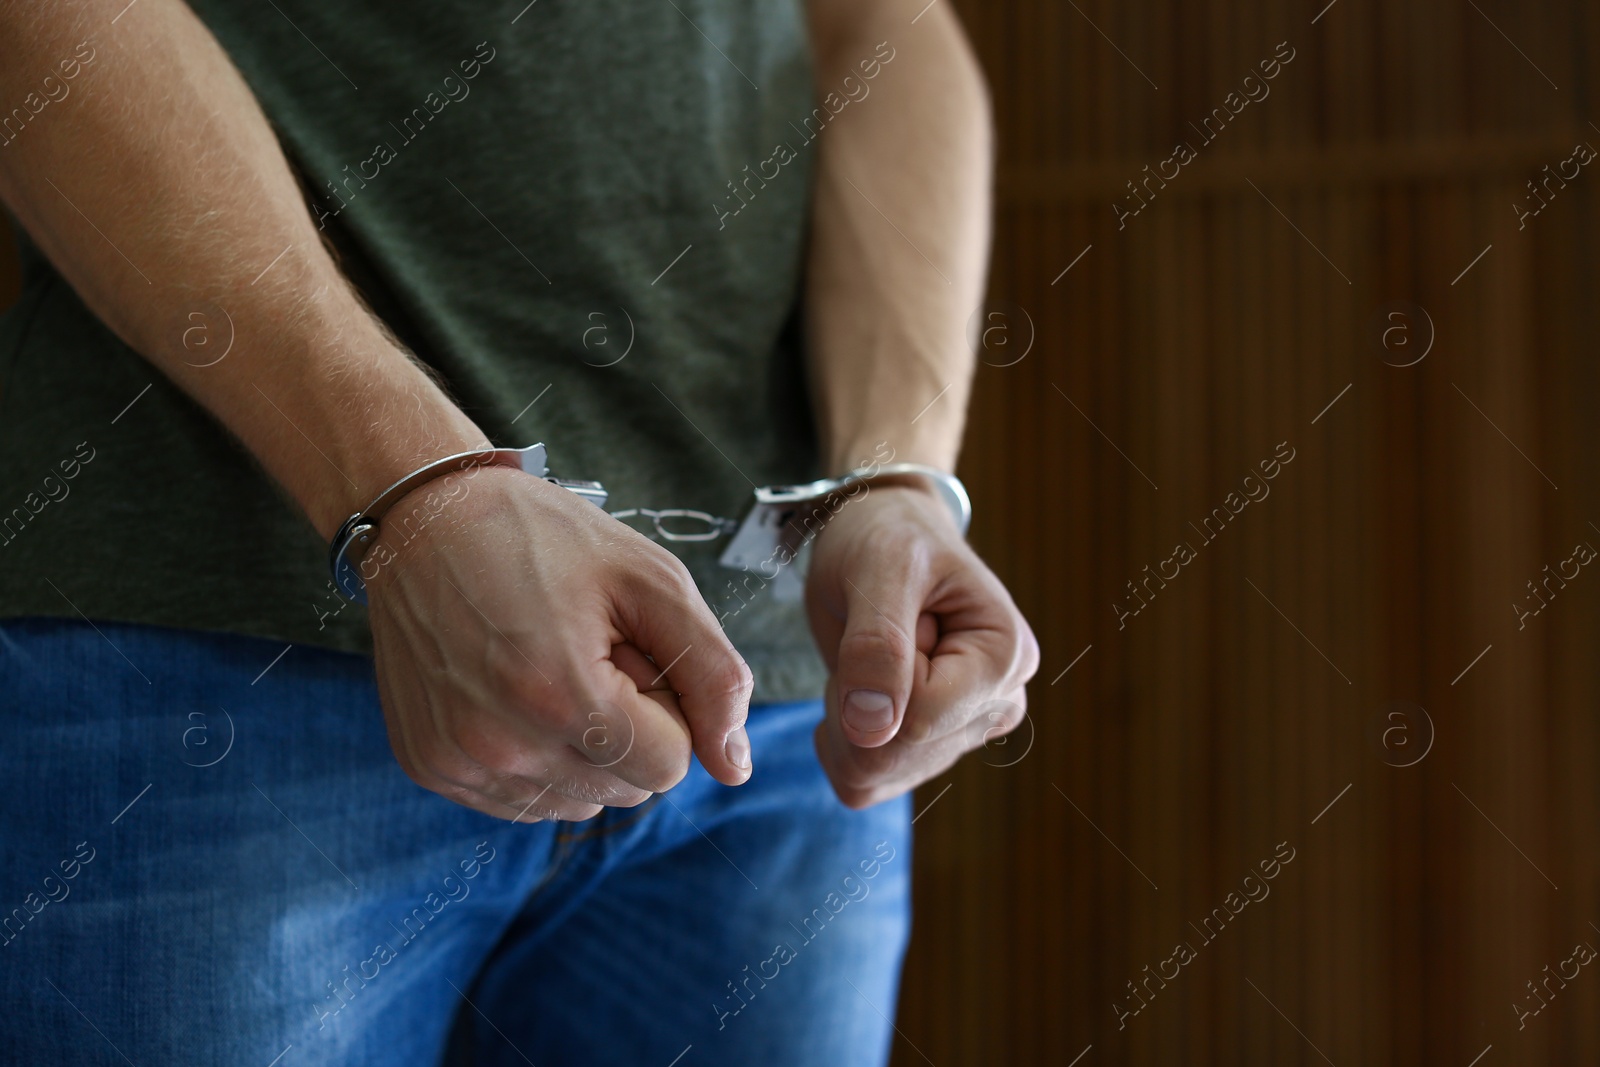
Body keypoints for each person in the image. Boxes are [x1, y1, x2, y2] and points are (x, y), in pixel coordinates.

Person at [0, 0, 1038, 1062]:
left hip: (777, 715)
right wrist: (405, 487)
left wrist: (893, 478)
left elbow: (875, 24)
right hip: (214, 670)